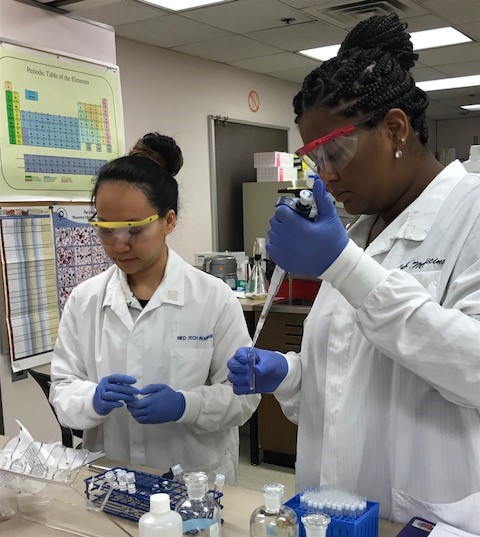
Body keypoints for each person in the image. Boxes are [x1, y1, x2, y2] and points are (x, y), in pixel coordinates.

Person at [227, 14, 480, 531]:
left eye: (335, 150)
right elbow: (345, 377)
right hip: (328, 509)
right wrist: (289, 375)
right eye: (313, 158)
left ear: (395, 129)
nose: (327, 174)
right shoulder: (360, 229)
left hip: (423, 512)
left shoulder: (471, 214)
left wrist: (344, 265)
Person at [50, 133, 260, 484]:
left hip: (195, 483)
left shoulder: (213, 298)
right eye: (106, 229)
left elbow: (243, 398)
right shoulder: (85, 300)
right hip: (112, 477)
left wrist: (185, 405)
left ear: (169, 221)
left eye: (134, 229)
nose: (119, 243)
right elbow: (62, 388)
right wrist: (92, 400)